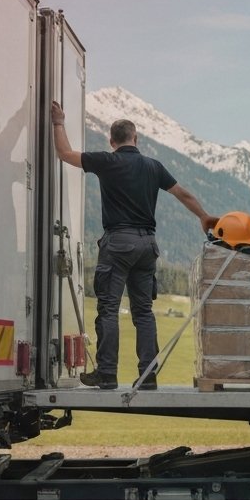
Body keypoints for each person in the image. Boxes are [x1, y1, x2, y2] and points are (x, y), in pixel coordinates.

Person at [51, 100, 218, 390]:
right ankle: (147, 375)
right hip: (147, 246)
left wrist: (58, 122)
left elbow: (64, 153)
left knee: (109, 309)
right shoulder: (153, 166)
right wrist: (203, 216)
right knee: (143, 312)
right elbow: (183, 193)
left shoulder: (107, 161)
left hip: (118, 244)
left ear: (112, 141)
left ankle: (107, 373)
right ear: (136, 139)